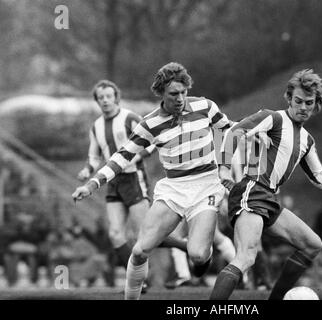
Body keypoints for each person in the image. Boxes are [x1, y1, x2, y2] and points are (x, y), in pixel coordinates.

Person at [72, 62, 232, 300]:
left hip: (206, 185)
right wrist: (92, 184)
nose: (180, 99)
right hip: (173, 188)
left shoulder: (205, 106)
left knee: (198, 255)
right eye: (173, 94)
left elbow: (228, 130)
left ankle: (201, 259)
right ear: (161, 94)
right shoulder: (150, 123)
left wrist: (226, 167)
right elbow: (122, 156)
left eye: (183, 92)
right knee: (139, 250)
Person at [210, 68, 322, 300]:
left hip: (269, 198)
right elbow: (236, 131)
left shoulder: (307, 139)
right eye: (298, 101)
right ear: (289, 98)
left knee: (313, 244)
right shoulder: (273, 118)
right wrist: (224, 167)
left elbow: (319, 176)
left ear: (316, 104)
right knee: (246, 256)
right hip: (251, 190)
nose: (303, 107)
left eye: (309, 102)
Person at [76, 80, 186, 284]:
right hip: (113, 181)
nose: (106, 100)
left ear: (116, 97)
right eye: (101, 97)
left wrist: (134, 157)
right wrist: (86, 170)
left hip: (134, 178)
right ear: (97, 101)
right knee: (116, 234)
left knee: (145, 234)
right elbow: (94, 156)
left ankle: (184, 246)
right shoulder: (97, 126)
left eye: (109, 96)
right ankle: (136, 280)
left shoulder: (129, 118)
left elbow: (154, 143)